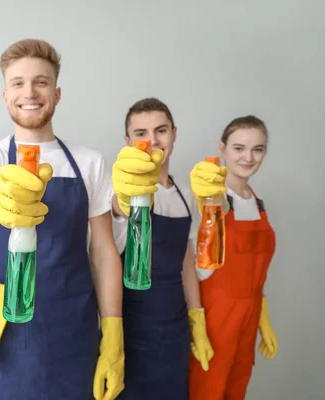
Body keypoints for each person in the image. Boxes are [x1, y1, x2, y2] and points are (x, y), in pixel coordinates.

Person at [0, 38, 125, 400]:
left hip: (70, 331)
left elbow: (102, 251)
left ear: (57, 93)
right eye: (17, 83)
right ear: (5, 95)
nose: (29, 92)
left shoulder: (89, 163)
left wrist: (113, 331)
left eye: (41, 82)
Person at [110, 97, 218, 399]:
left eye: (161, 130)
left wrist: (196, 316)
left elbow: (186, 262)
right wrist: (122, 205)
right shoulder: (120, 189)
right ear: (128, 141)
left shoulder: (185, 193)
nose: (153, 140)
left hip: (174, 327)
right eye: (141, 133)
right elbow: (107, 241)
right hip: (130, 326)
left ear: (174, 133)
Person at [188, 115, 278, 400]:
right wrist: (210, 204)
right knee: (209, 389)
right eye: (239, 148)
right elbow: (198, 267)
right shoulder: (215, 196)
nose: (248, 157)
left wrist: (261, 314)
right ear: (222, 149)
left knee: (237, 387)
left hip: (249, 315)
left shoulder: (257, 198)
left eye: (257, 149)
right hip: (216, 316)